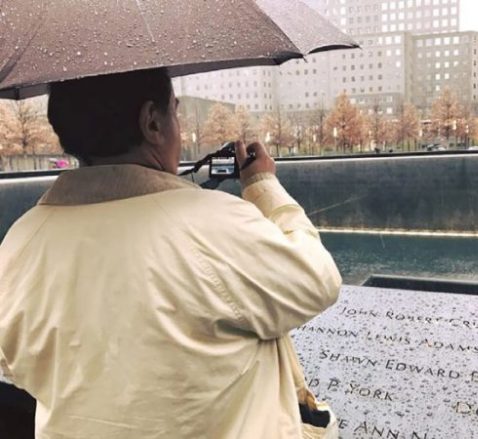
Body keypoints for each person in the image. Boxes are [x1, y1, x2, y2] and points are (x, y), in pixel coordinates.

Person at [0, 68, 342, 438]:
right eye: (175, 112)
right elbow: (317, 278)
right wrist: (263, 186)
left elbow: (14, 362)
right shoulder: (210, 223)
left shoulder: (20, 240)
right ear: (152, 123)